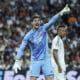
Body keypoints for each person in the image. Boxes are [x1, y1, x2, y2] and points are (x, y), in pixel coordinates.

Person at [13, 5, 70, 80]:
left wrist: (61, 13)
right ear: (31, 23)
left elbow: (52, 21)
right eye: (35, 21)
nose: (37, 22)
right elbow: (22, 47)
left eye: (38, 20)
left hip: (46, 59)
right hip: (35, 60)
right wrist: (17, 60)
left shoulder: (44, 29)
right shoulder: (28, 36)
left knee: (49, 78)